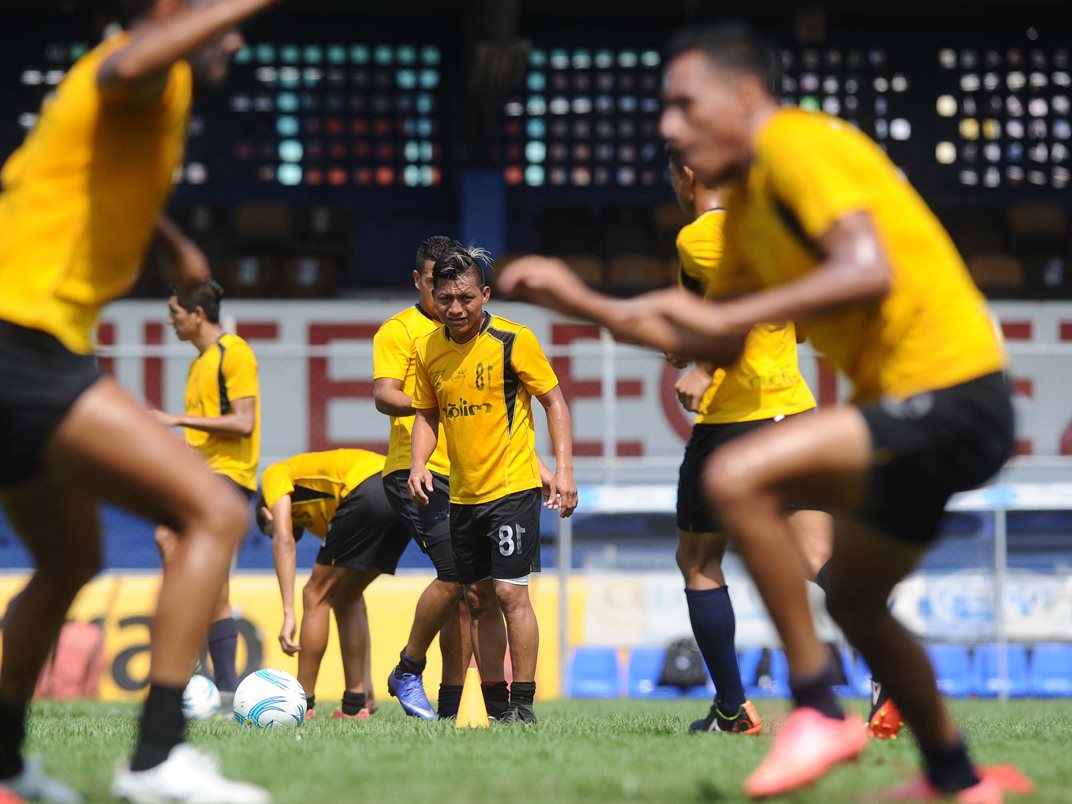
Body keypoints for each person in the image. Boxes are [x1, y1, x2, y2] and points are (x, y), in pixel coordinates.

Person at [498, 24, 1031, 803]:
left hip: (956, 390)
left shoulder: (794, 142)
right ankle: (957, 779)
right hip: (927, 410)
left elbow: (863, 268)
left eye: (685, 104)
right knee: (850, 596)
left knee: (737, 475)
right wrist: (581, 301)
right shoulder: (751, 221)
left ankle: (814, 708)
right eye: (664, 109)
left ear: (746, 96)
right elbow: (705, 329)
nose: (670, 127)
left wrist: (722, 328)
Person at [0, 1, 280, 802]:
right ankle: (158, 759)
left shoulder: (150, 91)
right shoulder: (138, 66)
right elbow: (128, 65)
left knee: (69, 561)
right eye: (220, 18)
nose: (234, 36)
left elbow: (83, 169)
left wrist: (170, 240)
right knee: (215, 513)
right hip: (18, 343)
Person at [664, 142, 831, 736]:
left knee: (700, 560)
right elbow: (802, 323)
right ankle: (888, 666)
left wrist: (707, 366)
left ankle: (733, 710)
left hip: (737, 422)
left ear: (689, 175)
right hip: (797, 414)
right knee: (818, 559)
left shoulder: (701, 235)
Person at [408, 245, 577, 724]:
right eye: (445, 299)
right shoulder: (427, 349)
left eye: (465, 297)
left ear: (484, 294)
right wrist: (420, 462)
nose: (456, 309)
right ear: (434, 298)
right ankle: (498, 707)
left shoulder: (513, 339)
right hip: (461, 494)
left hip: (512, 487)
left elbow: (554, 402)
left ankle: (523, 705)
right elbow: (426, 412)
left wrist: (562, 470)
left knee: (509, 594)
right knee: (477, 597)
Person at [152, 222, 260, 719]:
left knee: (176, 548)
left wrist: (174, 419)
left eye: (175, 314)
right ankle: (225, 692)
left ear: (198, 314)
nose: (170, 323)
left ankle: (192, 671)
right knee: (208, 583)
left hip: (230, 478)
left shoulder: (232, 352)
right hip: (204, 475)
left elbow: (243, 422)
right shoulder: (198, 365)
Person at [375, 235, 478, 721]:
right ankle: (408, 666)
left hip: (469, 474)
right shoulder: (399, 331)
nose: (447, 295)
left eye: (455, 285)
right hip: (414, 472)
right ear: (420, 280)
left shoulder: (473, 334)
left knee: (466, 592)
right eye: (437, 283)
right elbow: (383, 394)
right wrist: (433, 403)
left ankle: (452, 710)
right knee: (456, 573)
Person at [257, 448, 413, 720]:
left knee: (314, 594)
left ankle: (303, 704)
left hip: (367, 485)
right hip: (399, 493)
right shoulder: (325, 515)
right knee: (347, 595)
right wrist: (367, 681)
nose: (293, 529)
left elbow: (283, 540)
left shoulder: (275, 474)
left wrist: (288, 613)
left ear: (266, 512)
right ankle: (357, 703)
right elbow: (355, 601)